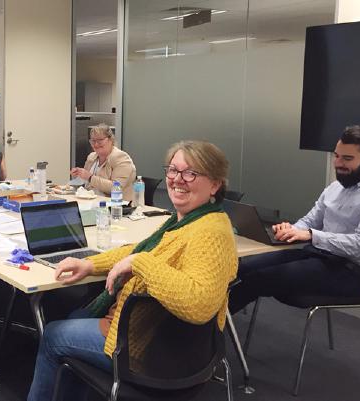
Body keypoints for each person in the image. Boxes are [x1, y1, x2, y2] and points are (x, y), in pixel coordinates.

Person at [28, 140, 238, 401]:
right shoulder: (187, 221)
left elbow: (199, 303)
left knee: (52, 336)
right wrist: (91, 264)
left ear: (215, 184)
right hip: (151, 332)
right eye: (172, 170)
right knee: (75, 316)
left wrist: (140, 263)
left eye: (190, 173)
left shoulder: (210, 232)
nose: (177, 180)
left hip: (153, 349)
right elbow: (139, 249)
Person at [229, 125, 360, 314]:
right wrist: (291, 229)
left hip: (349, 272)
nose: (338, 163)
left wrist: (310, 235)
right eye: (336, 156)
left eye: (347, 158)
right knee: (241, 267)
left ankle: (209, 331)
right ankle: (204, 323)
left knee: (259, 278)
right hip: (316, 256)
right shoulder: (334, 188)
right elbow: (309, 221)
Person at [70, 124, 137, 201]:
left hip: (116, 207)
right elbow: (86, 184)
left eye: (100, 140)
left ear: (111, 140)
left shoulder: (121, 158)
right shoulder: (91, 157)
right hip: (91, 203)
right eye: (93, 141)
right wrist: (79, 174)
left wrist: (90, 177)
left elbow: (116, 188)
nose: (95, 144)